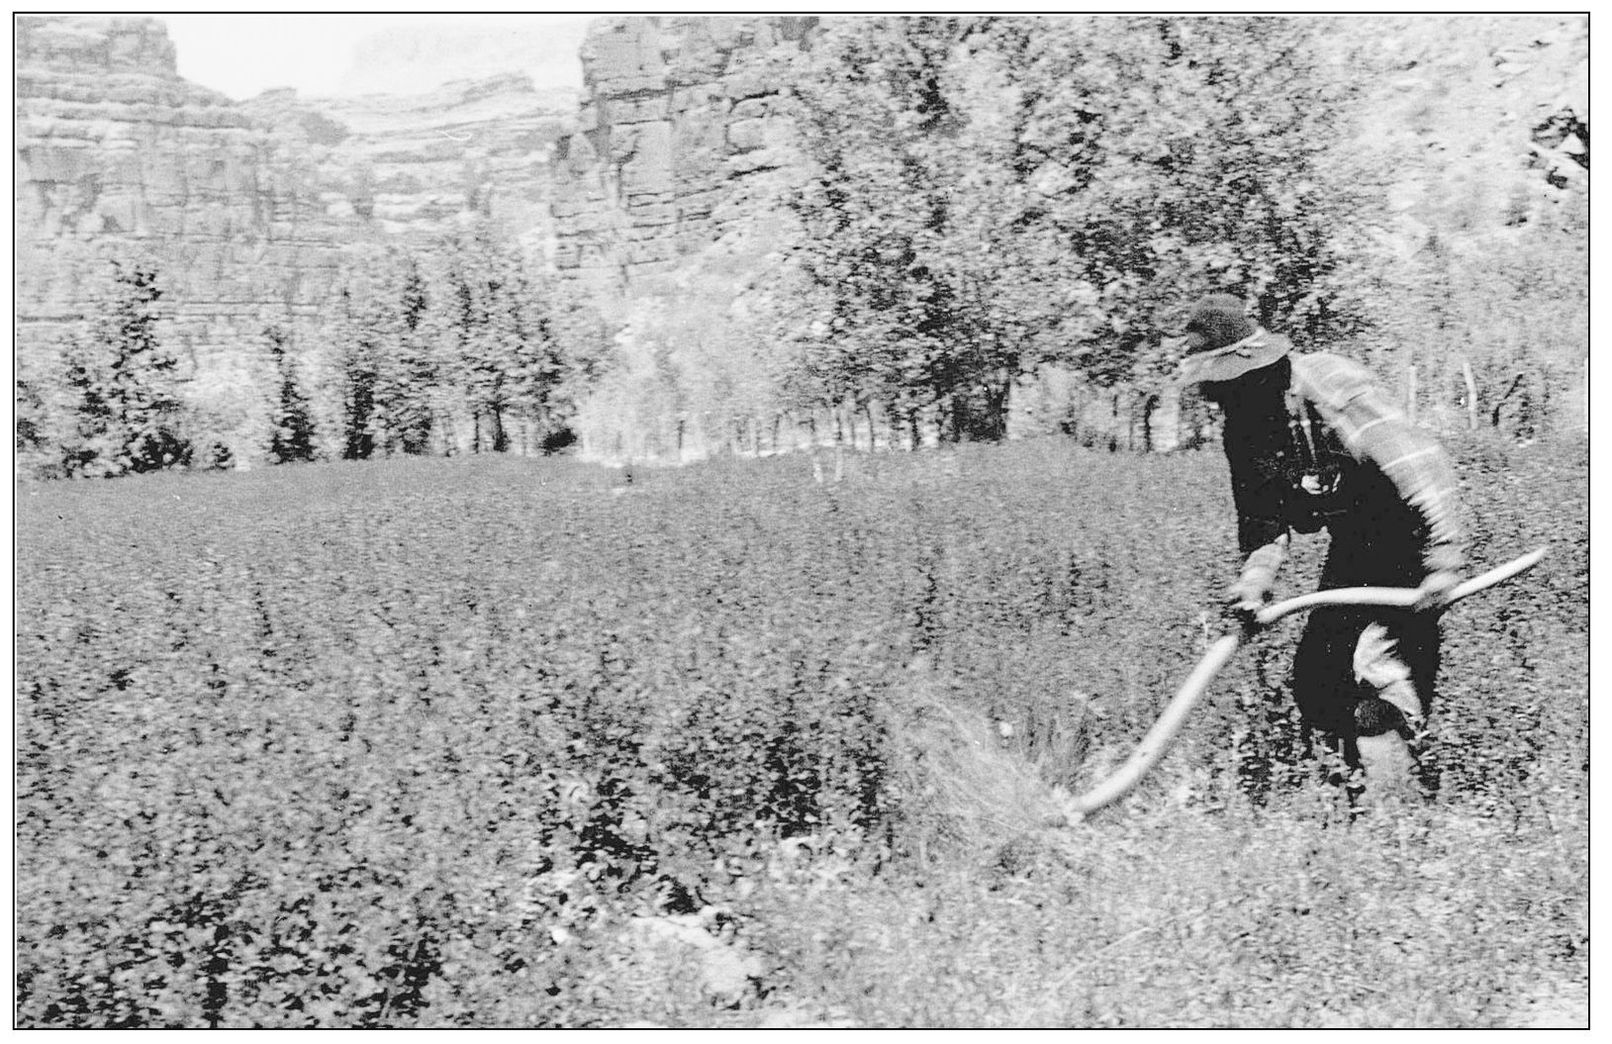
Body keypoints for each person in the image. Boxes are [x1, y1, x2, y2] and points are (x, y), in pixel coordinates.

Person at [1174, 294, 1466, 792]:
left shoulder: (1331, 385)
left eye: (1225, 385)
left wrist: (1443, 557)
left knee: (1377, 672)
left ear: (1255, 370)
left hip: (1412, 537)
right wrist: (1254, 585)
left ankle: (1406, 813)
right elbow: (1262, 523)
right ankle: (1349, 804)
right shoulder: (1245, 431)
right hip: (1357, 544)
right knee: (1317, 681)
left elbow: (1418, 468)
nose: (1220, 399)